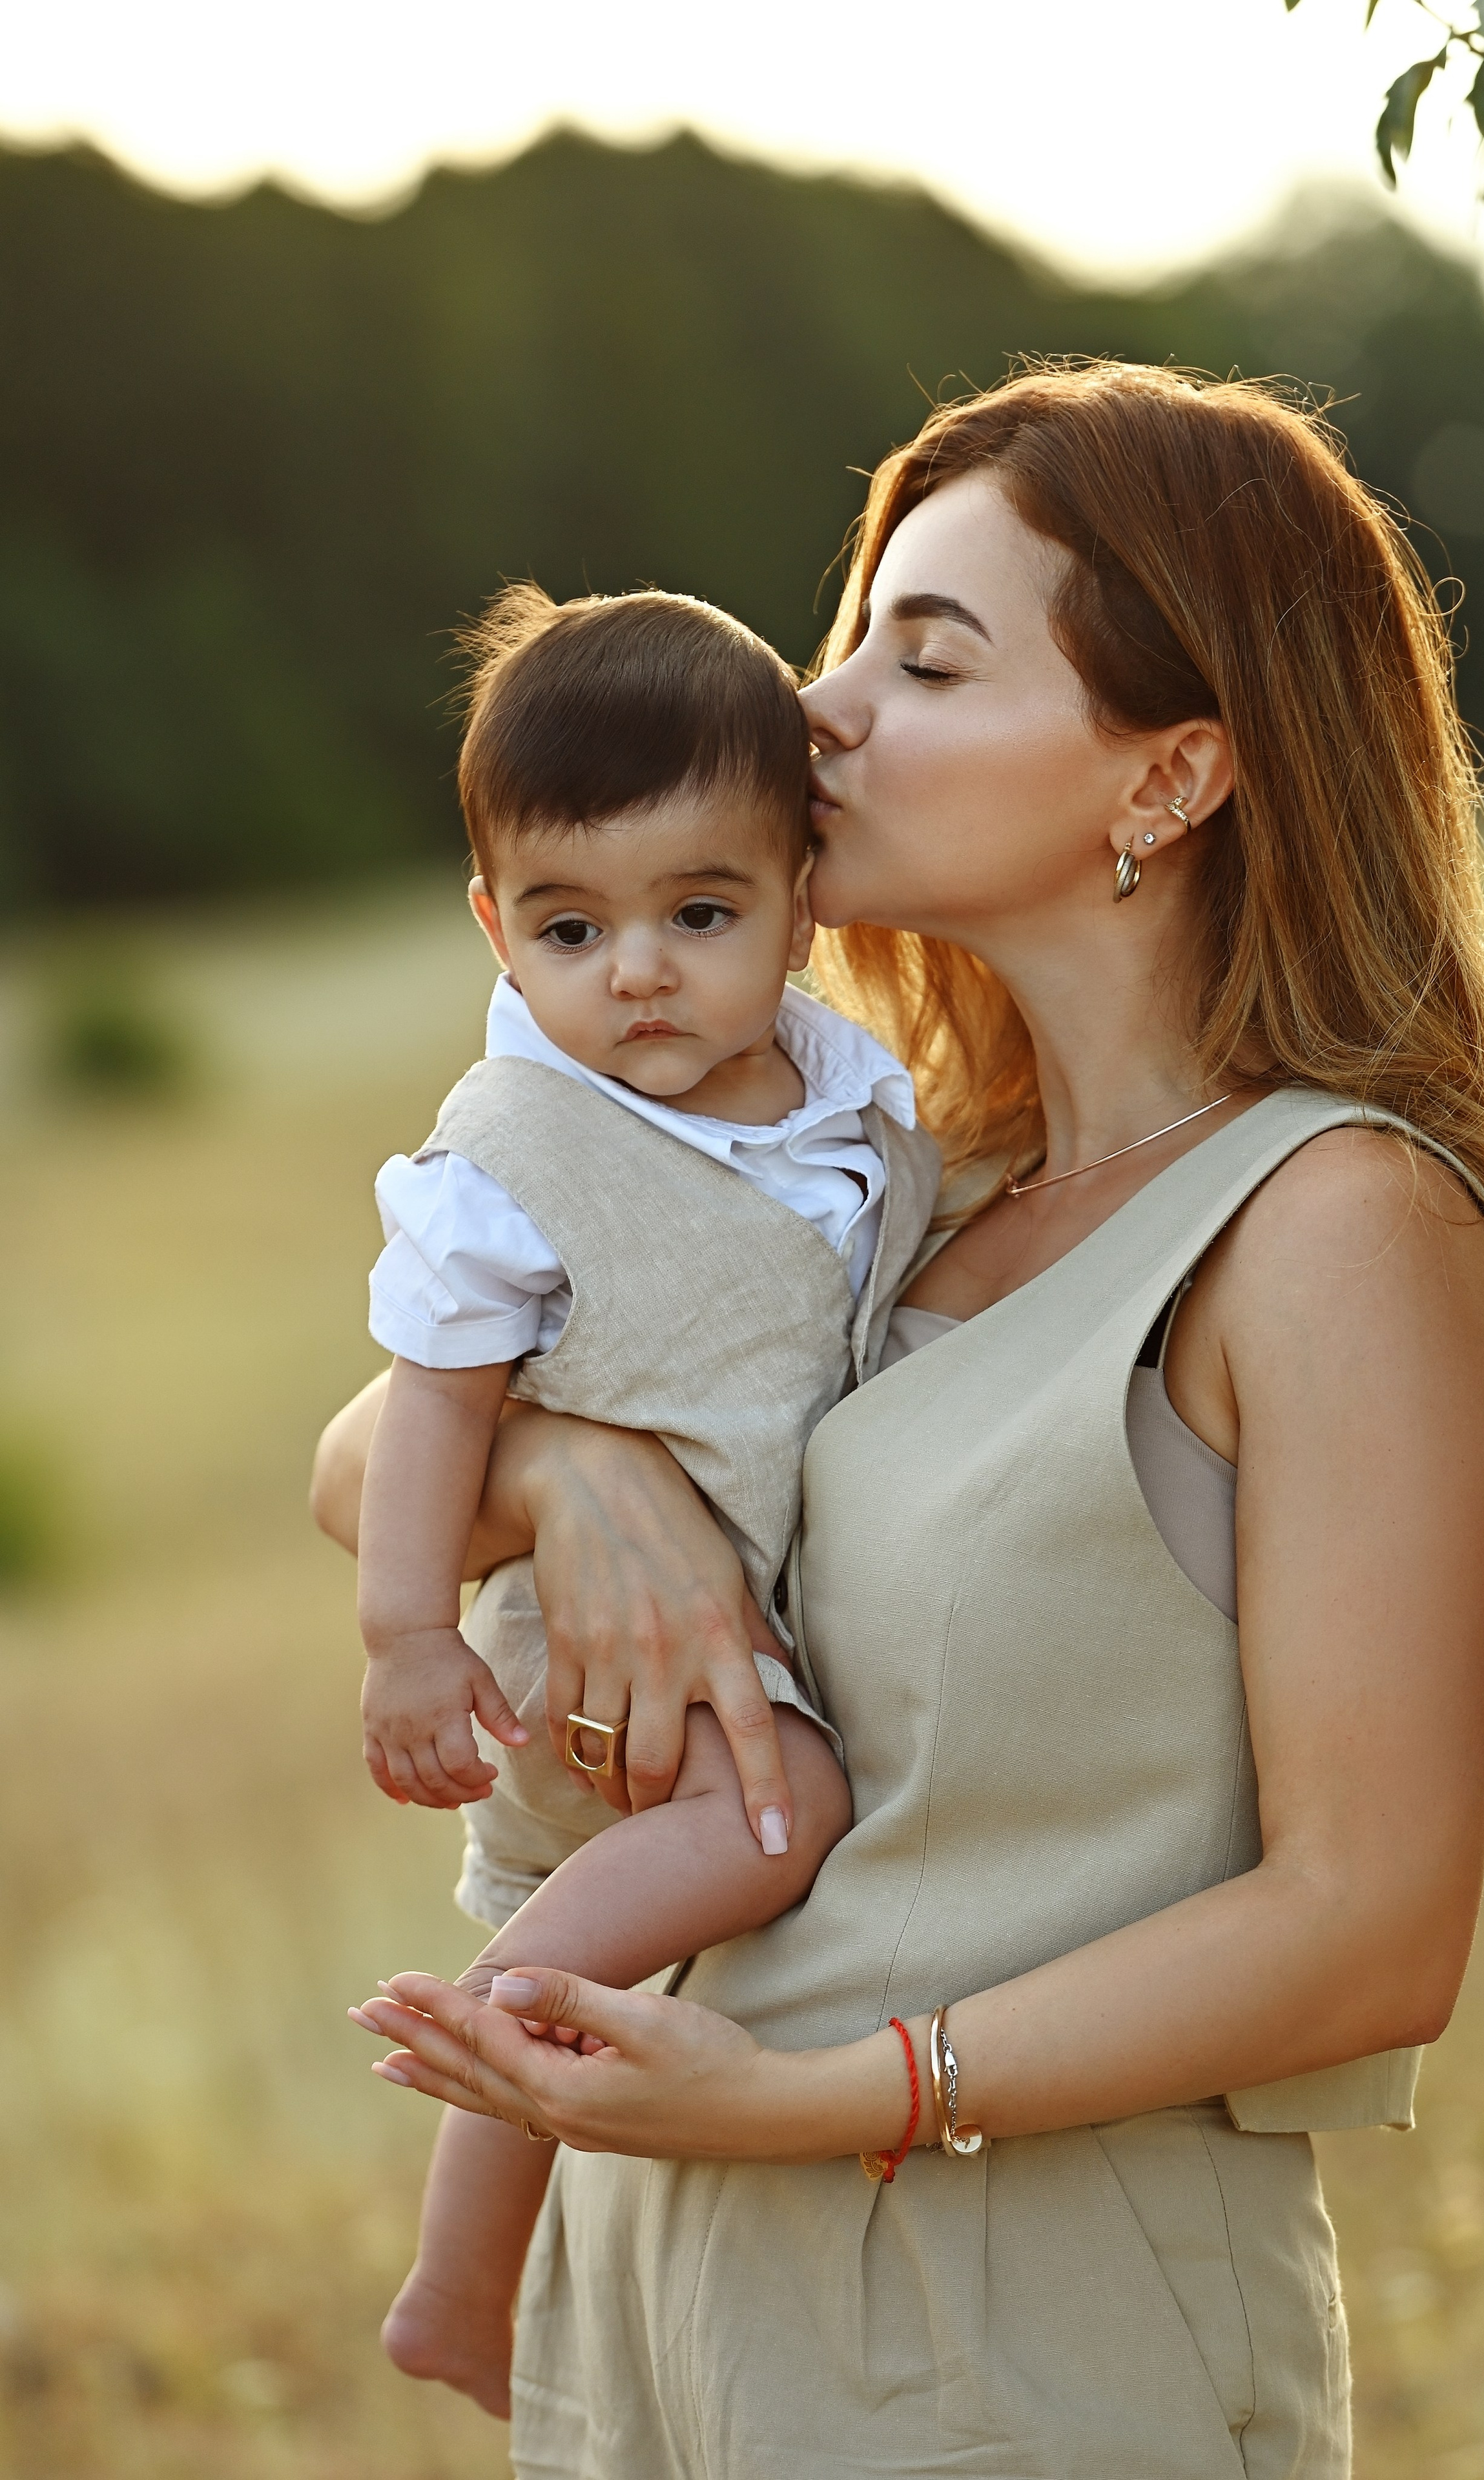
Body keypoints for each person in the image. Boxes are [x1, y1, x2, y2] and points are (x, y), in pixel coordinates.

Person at [328, 360, 1484, 2479]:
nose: (821, 713)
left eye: (924, 657)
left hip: (1011, 2329)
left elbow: (1374, 1929)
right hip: (677, 2304)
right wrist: (580, 1470)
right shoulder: (911, 1183)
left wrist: (831, 2096)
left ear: (1173, 774)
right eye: (849, 641)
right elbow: (366, 1449)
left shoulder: (1334, 1225)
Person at [338, 584, 940, 2414]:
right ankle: (468, 2163)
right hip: (597, 1648)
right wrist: (406, 1640)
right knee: (786, 1818)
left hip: (740, 1614)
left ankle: (482, 2267)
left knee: (732, 1868)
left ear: (800, 897)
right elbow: (430, 1418)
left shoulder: (843, 1101)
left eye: (701, 913)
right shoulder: (505, 1162)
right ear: (495, 932)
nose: (642, 976)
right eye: (572, 927)